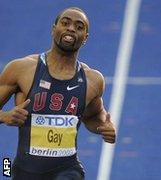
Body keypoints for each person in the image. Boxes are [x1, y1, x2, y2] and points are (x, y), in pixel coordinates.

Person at [0, 7, 116, 179]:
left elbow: (93, 117)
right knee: (8, 172)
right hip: (24, 170)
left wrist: (105, 128)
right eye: (65, 23)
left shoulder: (92, 80)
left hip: (68, 169)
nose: (71, 28)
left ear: (85, 38)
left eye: (79, 26)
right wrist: (5, 116)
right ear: (54, 28)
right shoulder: (21, 69)